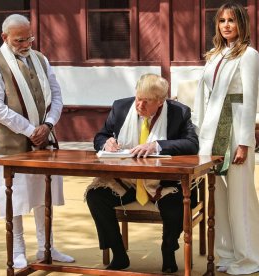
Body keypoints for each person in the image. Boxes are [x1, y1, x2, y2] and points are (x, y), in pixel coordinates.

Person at [0, 14, 74, 268]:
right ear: (5, 38)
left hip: (44, 140)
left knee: (43, 195)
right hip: (11, 144)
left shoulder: (41, 59)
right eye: (19, 40)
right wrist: (29, 129)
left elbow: (56, 96)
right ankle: (18, 250)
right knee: (15, 198)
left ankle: (47, 247)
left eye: (29, 38)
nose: (26, 44)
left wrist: (48, 125)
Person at [85, 73, 199, 273]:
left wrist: (157, 146)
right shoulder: (121, 107)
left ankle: (168, 248)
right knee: (95, 196)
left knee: (178, 203)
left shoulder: (179, 112)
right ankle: (119, 255)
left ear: (161, 101)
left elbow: (192, 144)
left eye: (146, 102)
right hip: (127, 181)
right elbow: (101, 135)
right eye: (138, 98)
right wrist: (106, 142)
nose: (139, 105)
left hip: (163, 182)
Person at [192, 2, 259, 275]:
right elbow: (206, 96)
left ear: (241, 24)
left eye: (231, 20)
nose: (226, 25)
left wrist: (244, 142)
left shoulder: (249, 55)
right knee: (219, 195)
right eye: (222, 21)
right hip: (213, 130)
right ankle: (227, 255)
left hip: (235, 129)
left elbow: (249, 100)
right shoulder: (215, 55)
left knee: (241, 196)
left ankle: (248, 260)